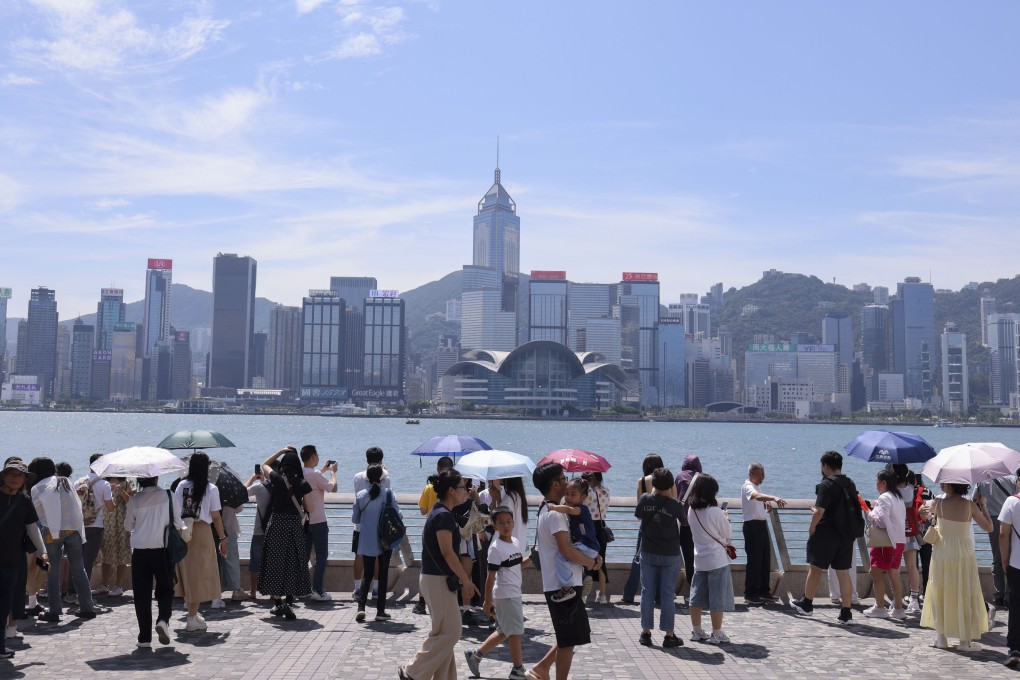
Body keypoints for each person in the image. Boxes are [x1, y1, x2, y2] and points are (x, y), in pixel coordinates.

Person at [399, 468, 479, 680]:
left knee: (443, 634)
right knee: (452, 633)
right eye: (463, 487)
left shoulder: (441, 512)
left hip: (433, 579)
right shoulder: (443, 516)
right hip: (437, 581)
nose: (467, 491)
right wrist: (466, 580)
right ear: (452, 490)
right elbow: (448, 552)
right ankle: (412, 672)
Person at [524, 462, 601, 680]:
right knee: (568, 641)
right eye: (564, 478)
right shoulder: (556, 514)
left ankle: (541, 668)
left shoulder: (545, 509)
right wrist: (590, 562)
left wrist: (590, 557)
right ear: (556, 483)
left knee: (570, 636)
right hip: (562, 586)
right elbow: (566, 550)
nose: (567, 482)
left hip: (557, 583)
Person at [920, 480, 992, 650]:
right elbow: (989, 527)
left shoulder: (938, 503)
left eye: (944, 483)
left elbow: (922, 512)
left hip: (942, 552)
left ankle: (941, 638)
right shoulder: (970, 506)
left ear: (950, 486)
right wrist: (983, 506)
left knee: (940, 591)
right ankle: (964, 641)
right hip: (963, 553)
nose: (941, 485)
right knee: (964, 592)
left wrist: (922, 513)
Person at [791, 451, 859, 626]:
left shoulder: (826, 485)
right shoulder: (849, 483)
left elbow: (820, 510)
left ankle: (807, 603)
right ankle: (846, 613)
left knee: (815, 569)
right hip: (845, 535)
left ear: (826, 466)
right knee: (843, 573)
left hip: (826, 534)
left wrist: (812, 526)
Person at [464, 506, 530, 680]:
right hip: (505, 594)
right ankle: (517, 669)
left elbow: (517, 565)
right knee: (515, 632)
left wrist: (532, 557)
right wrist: (487, 600)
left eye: (508, 521)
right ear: (494, 526)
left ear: (513, 523)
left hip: (514, 592)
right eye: (501, 522)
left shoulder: (515, 542)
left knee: (504, 631)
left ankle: (475, 655)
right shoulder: (495, 548)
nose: (506, 525)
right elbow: (490, 576)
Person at [29, 457, 96, 623]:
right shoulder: (65, 481)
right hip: (73, 528)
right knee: (79, 568)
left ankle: (54, 610)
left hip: (52, 531)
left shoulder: (37, 487)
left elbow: (35, 512)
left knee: (53, 570)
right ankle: (87, 607)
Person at [124, 476, 182, 648]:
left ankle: (144, 637)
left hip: (140, 551)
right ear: (156, 478)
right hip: (163, 550)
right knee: (165, 588)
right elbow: (178, 523)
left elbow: (128, 526)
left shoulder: (135, 500)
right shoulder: (169, 495)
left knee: (141, 594)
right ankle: (163, 620)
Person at [173, 452, 228, 631]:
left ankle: (193, 613)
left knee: (187, 573)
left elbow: (176, 510)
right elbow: (216, 517)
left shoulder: (181, 485)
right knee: (202, 572)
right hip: (203, 531)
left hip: (184, 531)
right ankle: (191, 616)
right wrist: (222, 538)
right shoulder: (211, 488)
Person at [258, 447, 313, 619]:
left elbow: (264, 465)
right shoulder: (303, 484)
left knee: (275, 563)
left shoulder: (276, 478)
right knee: (292, 563)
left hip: (276, 525)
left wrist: (281, 451)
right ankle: (289, 603)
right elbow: (311, 508)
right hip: (294, 526)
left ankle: (278, 604)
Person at [0, 460, 47, 659]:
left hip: (11, 559)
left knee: (4, 604)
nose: (14, 478)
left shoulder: (24, 501)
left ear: (25, 479)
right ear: (3, 475)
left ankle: (0, 646)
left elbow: (32, 528)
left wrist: (42, 552)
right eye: (11, 473)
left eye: (19, 475)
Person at [635, 467, 684, 648]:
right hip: (670, 553)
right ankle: (669, 634)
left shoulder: (645, 499)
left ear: (653, 483)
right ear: (671, 484)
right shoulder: (675, 505)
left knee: (647, 592)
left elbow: (638, 515)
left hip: (648, 551)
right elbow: (684, 521)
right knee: (667, 594)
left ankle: (645, 632)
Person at [687, 473, 735, 644]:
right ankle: (716, 632)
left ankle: (697, 630)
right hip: (716, 560)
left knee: (696, 596)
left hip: (699, 559)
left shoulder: (691, 510)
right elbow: (727, 535)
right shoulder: (716, 512)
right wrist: (726, 517)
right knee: (717, 597)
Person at [350, 464, 400, 623]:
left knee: (368, 573)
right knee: (383, 574)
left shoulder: (361, 495)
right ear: (381, 477)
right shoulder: (388, 493)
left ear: (367, 478)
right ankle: (380, 611)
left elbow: (355, 519)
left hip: (366, 540)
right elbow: (397, 513)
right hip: (384, 540)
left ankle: (361, 608)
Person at [412, 456, 454, 617]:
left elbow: (422, 510)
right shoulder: (453, 489)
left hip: (429, 532)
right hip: (448, 530)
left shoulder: (429, 488)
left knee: (427, 565)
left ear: (437, 470)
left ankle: (422, 601)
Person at [546, 478, 600, 603]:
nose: (568, 498)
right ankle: (583, 575)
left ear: (583, 497)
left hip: (587, 546)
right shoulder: (573, 507)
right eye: (566, 494)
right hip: (590, 547)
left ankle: (567, 587)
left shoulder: (581, 509)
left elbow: (570, 510)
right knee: (572, 558)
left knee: (562, 556)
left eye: (573, 495)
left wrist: (553, 508)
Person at [864, 469, 906, 619]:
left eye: (877, 482)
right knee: (894, 574)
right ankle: (898, 609)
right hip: (899, 540)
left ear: (884, 482)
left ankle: (880, 607)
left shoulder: (884, 498)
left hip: (885, 542)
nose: (876, 485)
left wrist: (868, 512)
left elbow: (881, 521)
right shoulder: (898, 497)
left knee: (875, 572)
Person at [740, 462, 785, 604]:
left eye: (763, 475)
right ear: (751, 474)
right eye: (759, 475)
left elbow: (758, 498)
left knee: (765, 560)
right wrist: (773, 498)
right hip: (752, 527)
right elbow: (756, 496)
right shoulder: (747, 486)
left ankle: (764, 591)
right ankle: (750, 594)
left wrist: (765, 503)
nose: (762, 478)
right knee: (754, 561)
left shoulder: (756, 487)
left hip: (761, 526)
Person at [622, 453, 664, 604]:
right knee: (662, 560)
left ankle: (629, 594)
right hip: (664, 527)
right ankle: (659, 596)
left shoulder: (642, 482)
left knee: (638, 559)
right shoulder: (667, 481)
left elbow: (639, 510)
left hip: (646, 526)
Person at [300, 444, 337, 601]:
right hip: (319, 521)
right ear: (313, 457)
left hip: (305, 520)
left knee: (304, 556)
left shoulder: (301, 472)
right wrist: (332, 473)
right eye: (317, 454)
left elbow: (313, 480)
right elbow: (332, 488)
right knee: (321, 557)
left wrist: (321, 470)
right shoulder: (315, 475)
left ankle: (302, 588)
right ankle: (318, 590)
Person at [352, 446, 388, 601]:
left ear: (367, 460)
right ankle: (376, 590)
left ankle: (357, 589)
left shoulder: (357, 477)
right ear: (381, 461)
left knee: (359, 556)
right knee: (378, 557)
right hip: (378, 526)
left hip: (360, 526)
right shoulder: (386, 477)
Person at [74, 454, 114, 587]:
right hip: (96, 526)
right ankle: (83, 594)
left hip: (79, 526)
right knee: (88, 561)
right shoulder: (105, 484)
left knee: (76, 560)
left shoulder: (78, 482)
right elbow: (110, 508)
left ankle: (71, 592)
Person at [887, 463, 922, 614]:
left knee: (894, 568)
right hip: (910, 531)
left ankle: (896, 599)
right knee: (912, 566)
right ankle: (914, 599)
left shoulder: (891, 493)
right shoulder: (910, 489)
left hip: (895, 533)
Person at [979, 472, 1015, 608]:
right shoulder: (1011, 479)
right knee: (1012, 558)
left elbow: (975, 500)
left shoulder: (982, 482)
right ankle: (1008, 594)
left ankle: (999, 595)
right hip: (1011, 520)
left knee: (997, 558)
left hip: (993, 520)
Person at [997, 470, 1020, 666]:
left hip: (1016, 563)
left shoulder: (1012, 502)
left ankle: (1015, 648)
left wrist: (1004, 560)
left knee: (1016, 605)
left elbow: (1003, 534)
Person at [97, 476, 134, 597]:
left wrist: (121, 491)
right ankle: (104, 584)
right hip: (107, 520)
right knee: (106, 551)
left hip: (122, 520)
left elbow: (132, 502)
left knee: (122, 552)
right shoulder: (104, 482)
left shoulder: (127, 482)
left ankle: (118, 585)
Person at [674, 455, 703, 601]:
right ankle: (693, 592)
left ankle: (670, 589)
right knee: (693, 559)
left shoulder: (679, 476)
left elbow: (675, 495)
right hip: (697, 525)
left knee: (673, 557)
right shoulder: (703, 478)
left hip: (680, 523)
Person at [582, 471, 610, 605]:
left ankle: (583, 594)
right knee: (601, 561)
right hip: (602, 525)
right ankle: (603, 595)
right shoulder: (606, 491)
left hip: (589, 527)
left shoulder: (588, 492)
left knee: (586, 559)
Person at [245, 465, 273, 600]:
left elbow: (242, 492)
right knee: (273, 561)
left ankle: (253, 591)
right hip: (275, 530)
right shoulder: (280, 487)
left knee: (255, 562)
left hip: (259, 530)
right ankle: (274, 592)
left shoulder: (259, 487)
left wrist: (253, 478)